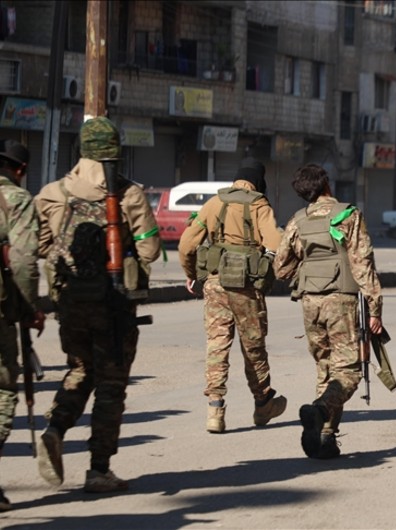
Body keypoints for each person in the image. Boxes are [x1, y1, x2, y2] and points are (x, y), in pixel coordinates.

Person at [34, 117, 160, 492]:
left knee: (79, 369)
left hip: (71, 302)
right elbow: (151, 249)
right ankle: (99, 468)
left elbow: (42, 246)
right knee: (110, 384)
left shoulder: (53, 192)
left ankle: (55, 428)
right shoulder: (128, 194)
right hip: (114, 305)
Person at [274, 164, 383, 459]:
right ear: (327, 185)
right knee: (348, 371)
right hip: (342, 301)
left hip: (310, 302)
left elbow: (281, 268)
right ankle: (320, 411)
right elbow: (362, 262)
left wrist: (306, 277)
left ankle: (326, 439)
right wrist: (375, 307)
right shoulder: (348, 214)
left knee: (324, 366)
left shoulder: (298, 220)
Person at [178, 158, 286, 434]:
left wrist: (191, 274)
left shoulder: (214, 203)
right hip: (246, 288)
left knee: (217, 345)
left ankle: (215, 410)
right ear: (257, 182)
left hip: (215, 284)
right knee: (253, 347)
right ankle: (263, 404)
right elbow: (276, 243)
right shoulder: (259, 204)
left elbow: (187, 243)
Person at [0, 140, 43, 510]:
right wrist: (30, 308)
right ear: (21, 170)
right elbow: (25, 262)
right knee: (2, 394)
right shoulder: (16, 200)